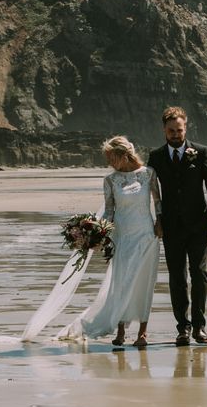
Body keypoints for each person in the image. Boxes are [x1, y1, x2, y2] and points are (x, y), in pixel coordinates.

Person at [57, 136, 162, 347]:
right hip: (121, 237)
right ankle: (121, 330)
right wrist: (96, 232)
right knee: (121, 282)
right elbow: (110, 211)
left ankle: (143, 332)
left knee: (144, 282)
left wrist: (160, 221)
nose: (108, 163)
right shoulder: (110, 180)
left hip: (146, 236)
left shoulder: (148, 174)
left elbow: (157, 201)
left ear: (123, 155)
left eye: (110, 158)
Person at [147, 106, 207, 346]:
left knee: (199, 274)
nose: (175, 134)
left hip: (199, 224)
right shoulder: (156, 156)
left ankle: (199, 327)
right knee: (176, 278)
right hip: (171, 227)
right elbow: (149, 190)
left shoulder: (200, 152)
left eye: (179, 130)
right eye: (171, 131)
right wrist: (154, 220)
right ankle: (182, 328)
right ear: (164, 130)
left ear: (185, 128)